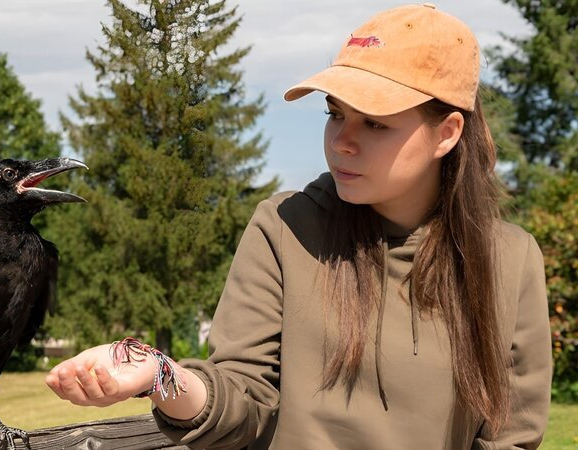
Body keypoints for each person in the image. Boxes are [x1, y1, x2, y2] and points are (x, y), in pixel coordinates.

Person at [45, 3, 553, 449]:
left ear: (447, 132)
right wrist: (159, 374)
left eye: (375, 122)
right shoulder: (285, 227)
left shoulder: (509, 259)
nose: (342, 141)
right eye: (335, 114)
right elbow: (241, 398)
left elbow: (511, 436)